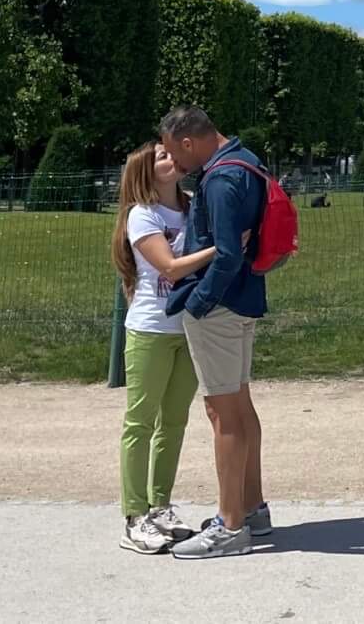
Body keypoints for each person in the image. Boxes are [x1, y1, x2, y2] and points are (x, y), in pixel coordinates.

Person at [156, 108, 274, 561]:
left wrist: (198, 304)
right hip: (244, 300)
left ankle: (230, 526)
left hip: (220, 308)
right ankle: (251, 508)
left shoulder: (221, 179)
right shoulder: (247, 161)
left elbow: (225, 256)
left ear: (188, 141)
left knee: (222, 414)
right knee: (240, 407)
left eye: (173, 151)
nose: (175, 163)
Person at [110, 145, 221, 555]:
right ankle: (134, 516)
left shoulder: (194, 207)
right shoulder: (143, 214)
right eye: (160, 157)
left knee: (173, 423)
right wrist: (225, 248)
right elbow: (170, 267)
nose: (170, 158)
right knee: (140, 422)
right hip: (151, 329)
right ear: (146, 172)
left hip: (189, 327)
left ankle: (160, 507)